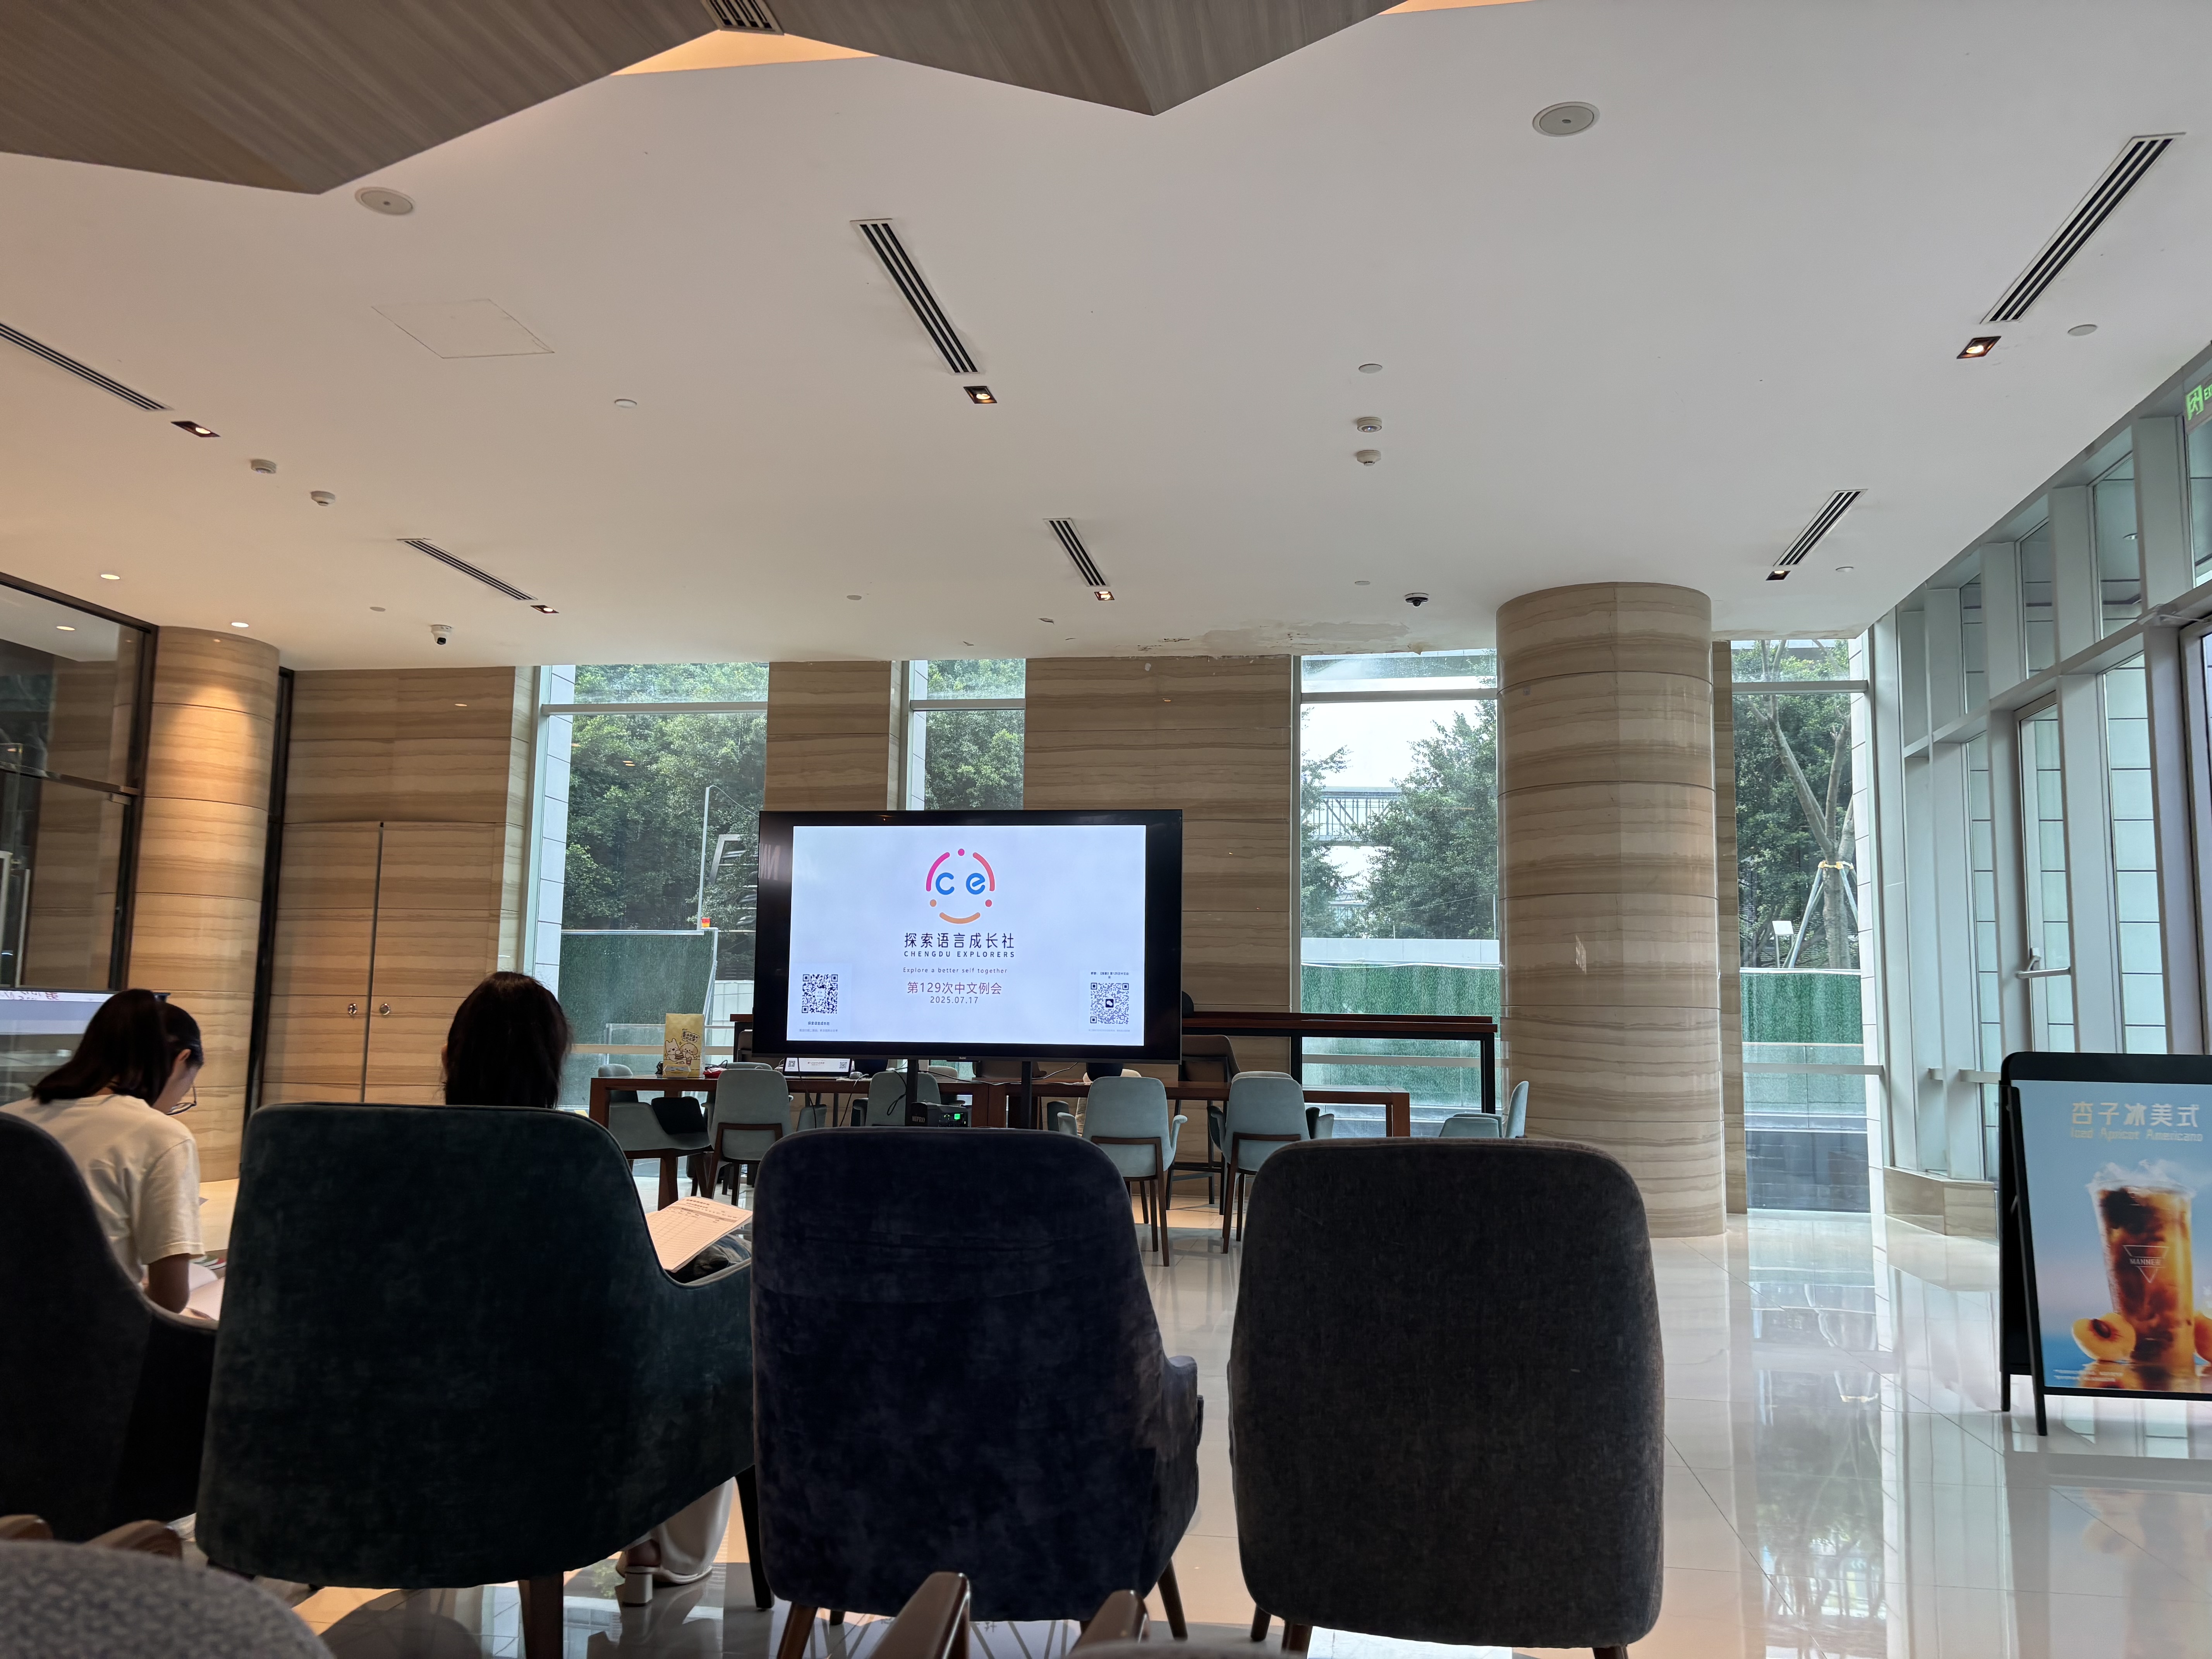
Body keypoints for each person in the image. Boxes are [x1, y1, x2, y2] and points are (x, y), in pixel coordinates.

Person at [439, 971, 735, 1591]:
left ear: (451, 1056)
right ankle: (657, 1547)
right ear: (553, 1062)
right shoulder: (576, 1154)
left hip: (437, 1389)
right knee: (716, 1350)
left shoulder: (405, 1156)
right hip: (568, 1399)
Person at [2, 988, 204, 1313]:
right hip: (95, 1334)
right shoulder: (162, 1135)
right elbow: (170, 1300)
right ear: (181, 1060)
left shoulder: (9, 1119)